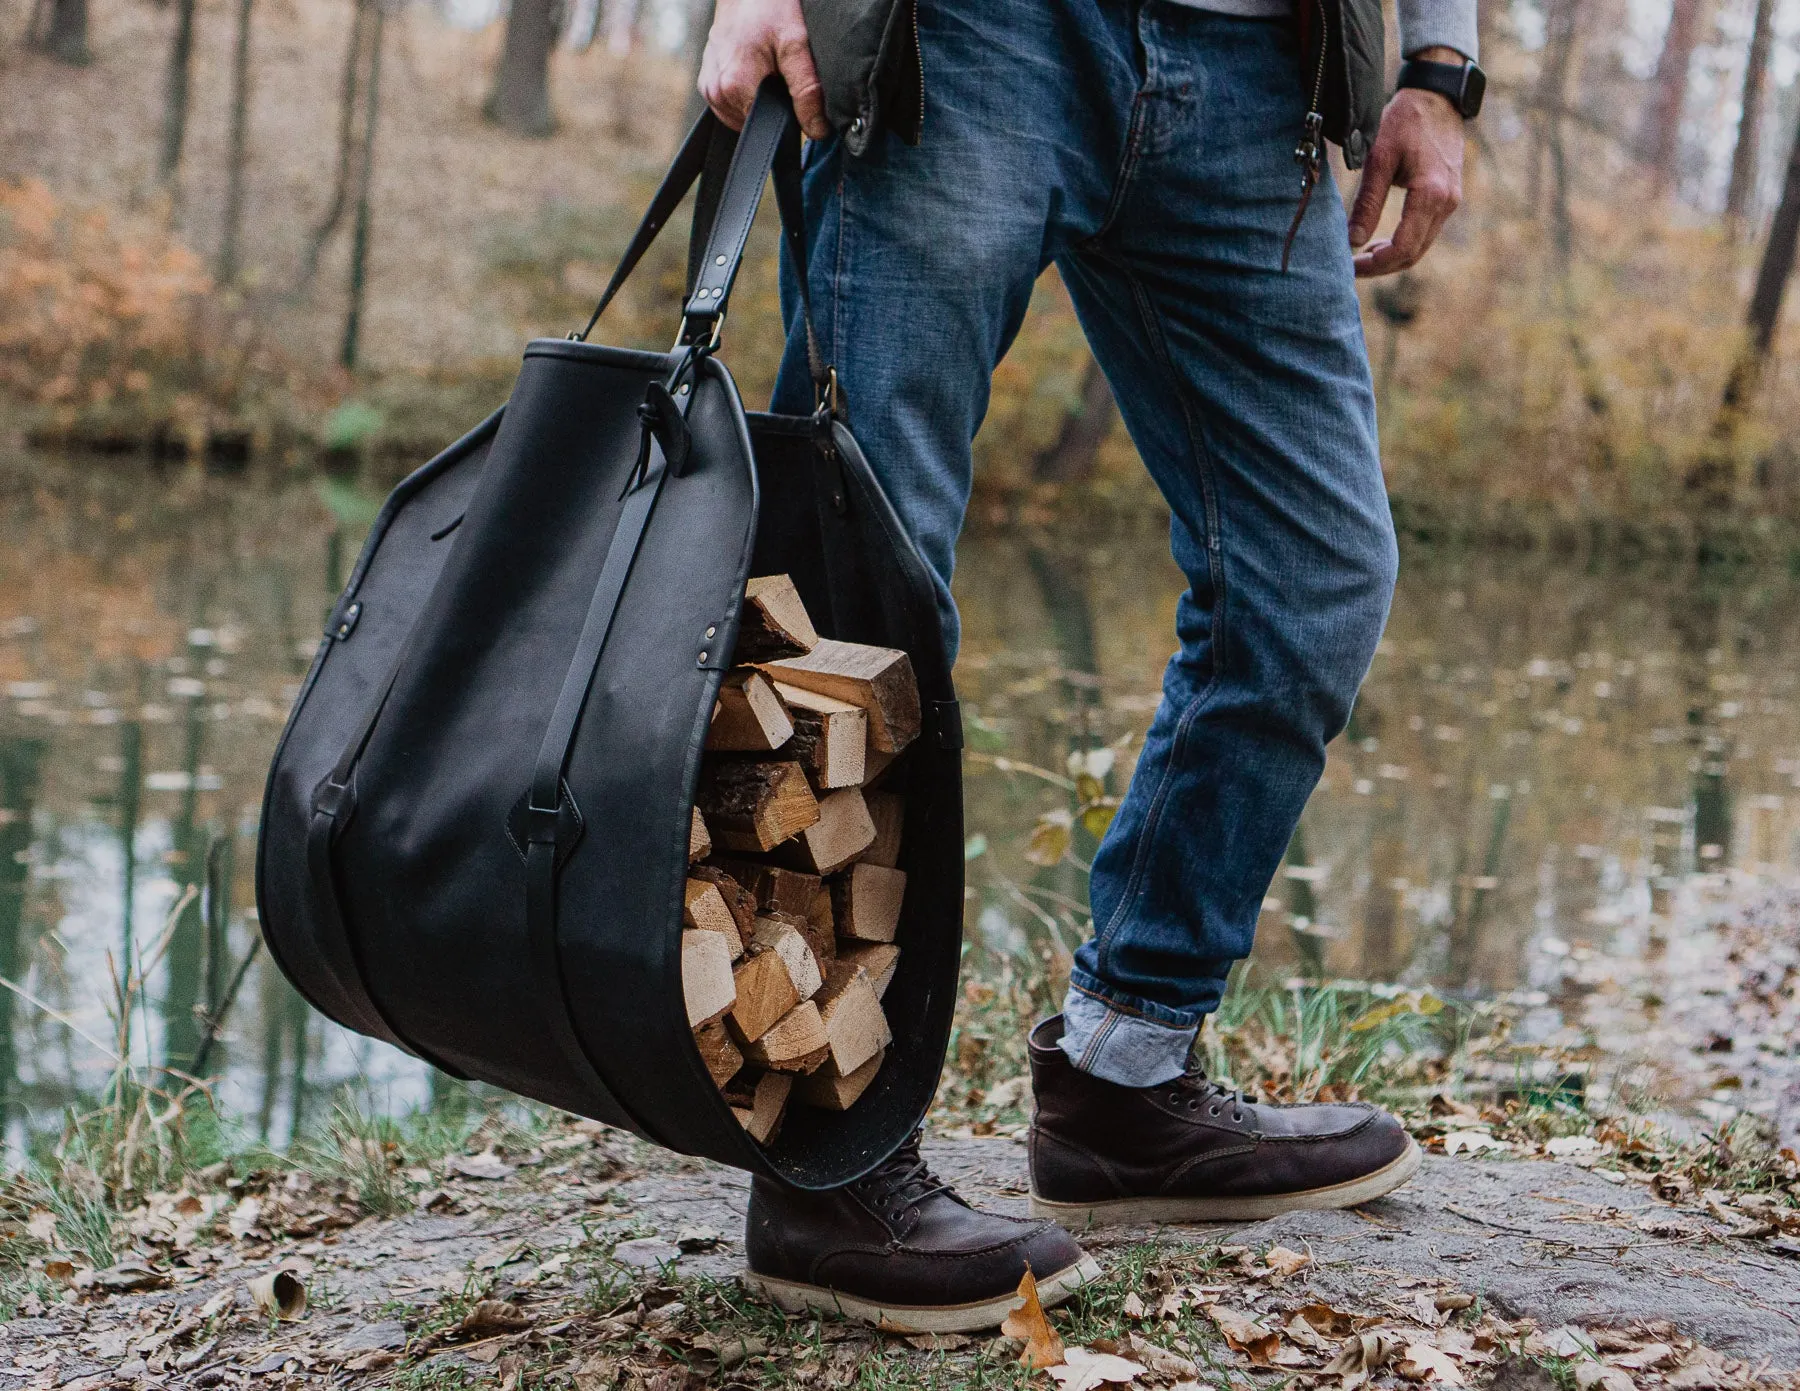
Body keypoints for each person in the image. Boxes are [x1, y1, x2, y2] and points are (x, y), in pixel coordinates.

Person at [699, 0, 1480, 1333]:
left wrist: (1439, 66)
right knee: (854, 567)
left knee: (1311, 577)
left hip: (1256, 69)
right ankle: (816, 1144)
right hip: (971, 35)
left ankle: (1126, 1077)